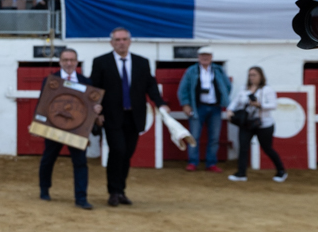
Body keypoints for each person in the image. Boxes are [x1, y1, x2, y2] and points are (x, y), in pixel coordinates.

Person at [90, 27, 170, 207]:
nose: (121, 43)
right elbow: (95, 89)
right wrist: (98, 113)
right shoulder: (101, 62)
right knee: (117, 150)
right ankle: (113, 191)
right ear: (111, 42)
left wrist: (160, 103)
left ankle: (121, 191)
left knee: (127, 154)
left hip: (134, 116)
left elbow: (151, 85)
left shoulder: (142, 62)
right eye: (117, 40)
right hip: (111, 116)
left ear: (130, 41)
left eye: (124, 39)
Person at [38, 48, 100, 210]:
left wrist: (97, 109)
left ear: (77, 62)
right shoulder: (50, 80)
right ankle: (44, 189)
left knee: (80, 162)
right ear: (60, 62)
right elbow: (43, 103)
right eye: (65, 60)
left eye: (72, 60)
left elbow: (90, 105)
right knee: (48, 159)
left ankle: (81, 197)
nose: (69, 63)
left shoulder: (87, 82)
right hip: (54, 126)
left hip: (77, 129)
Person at [228, 66, 287, 183]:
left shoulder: (267, 89)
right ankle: (241, 173)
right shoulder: (244, 89)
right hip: (246, 123)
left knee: (267, 148)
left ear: (261, 76)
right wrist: (230, 110)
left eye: (254, 75)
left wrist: (260, 105)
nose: (252, 77)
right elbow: (235, 102)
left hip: (264, 124)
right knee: (243, 148)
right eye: (250, 75)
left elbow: (273, 105)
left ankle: (281, 171)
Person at [177, 47, 231, 172]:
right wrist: (186, 104)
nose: (205, 58)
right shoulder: (191, 71)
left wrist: (223, 98)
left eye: (207, 55)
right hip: (197, 107)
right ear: (198, 57)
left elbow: (227, 86)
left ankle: (211, 163)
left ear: (212, 57)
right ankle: (193, 162)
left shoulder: (218, 70)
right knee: (194, 136)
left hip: (215, 107)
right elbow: (183, 89)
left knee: (214, 138)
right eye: (202, 55)